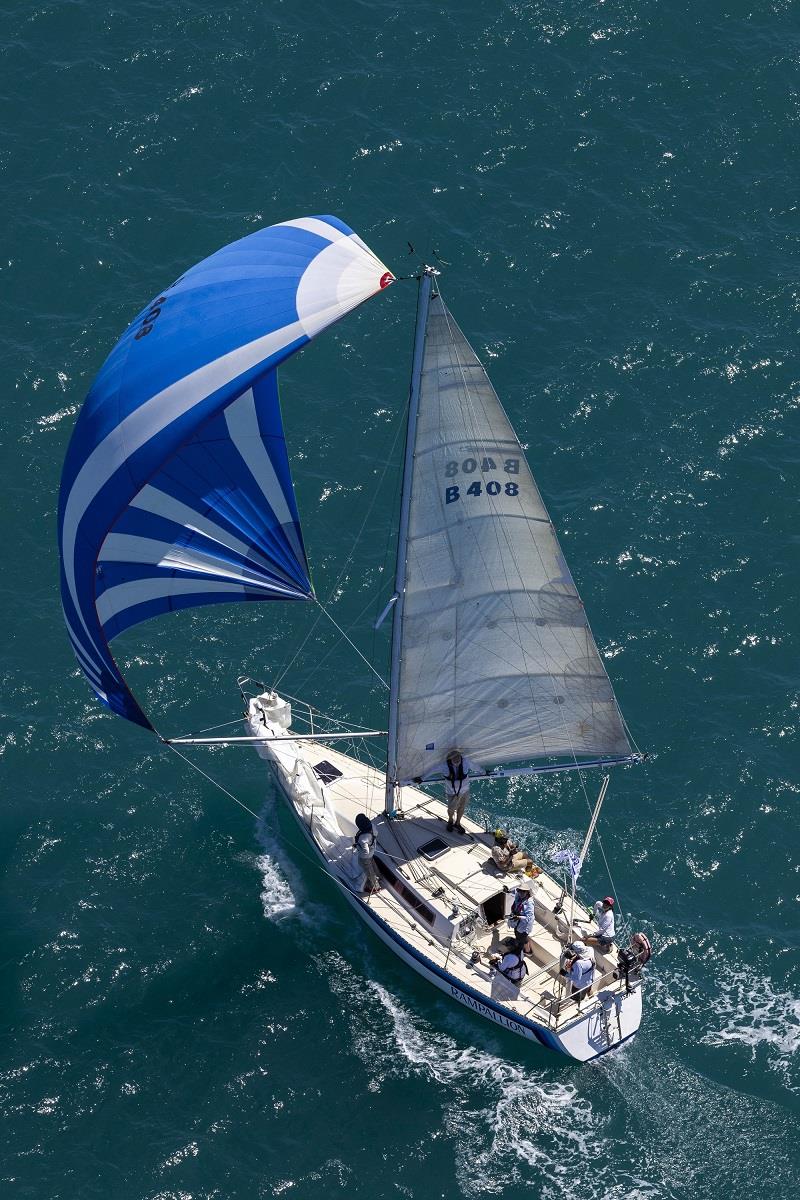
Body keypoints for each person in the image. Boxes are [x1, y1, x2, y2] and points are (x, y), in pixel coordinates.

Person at [441, 749, 481, 834]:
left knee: (462, 807)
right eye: (454, 758)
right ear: (450, 759)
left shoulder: (465, 762)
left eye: (458, 757)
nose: (456, 760)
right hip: (452, 792)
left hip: (465, 791)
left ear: (460, 756)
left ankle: (458, 823)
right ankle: (450, 820)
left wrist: (484, 771)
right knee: (451, 809)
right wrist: (422, 778)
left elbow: (476, 767)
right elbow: (432, 770)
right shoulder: (444, 766)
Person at [354, 813, 380, 894]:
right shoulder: (372, 825)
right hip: (372, 850)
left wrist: (358, 847)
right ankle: (378, 875)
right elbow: (376, 833)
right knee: (372, 862)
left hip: (365, 857)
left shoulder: (362, 838)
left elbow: (365, 852)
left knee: (369, 870)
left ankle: (375, 887)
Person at [508, 883, 535, 952]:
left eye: (524, 891)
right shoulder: (518, 894)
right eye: (520, 890)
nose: (521, 893)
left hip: (524, 925)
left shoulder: (529, 903)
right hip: (517, 921)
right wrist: (508, 891)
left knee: (521, 938)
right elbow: (514, 892)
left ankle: (527, 951)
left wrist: (518, 917)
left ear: (527, 892)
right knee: (517, 933)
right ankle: (518, 942)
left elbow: (529, 918)